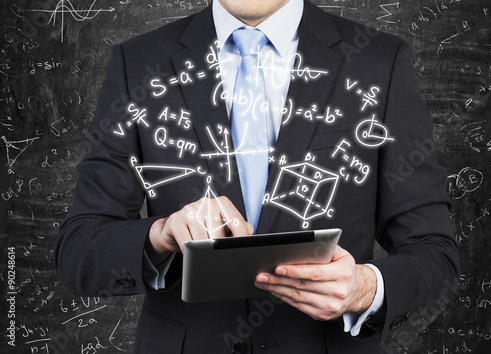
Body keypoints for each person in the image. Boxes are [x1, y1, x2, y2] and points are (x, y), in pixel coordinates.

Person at [54, 0, 460, 353]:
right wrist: (161, 233)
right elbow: (78, 250)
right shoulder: (138, 62)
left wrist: (364, 288)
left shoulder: (380, 62)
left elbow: (434, 250)